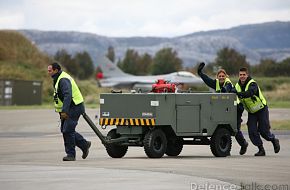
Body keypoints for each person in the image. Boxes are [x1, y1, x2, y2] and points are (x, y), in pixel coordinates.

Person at [197, 62, 248, 155]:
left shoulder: (228, 83)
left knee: (234, 129)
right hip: (225, 108)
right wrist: (200, 73)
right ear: (217, 77)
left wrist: (224, 90)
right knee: (223, 127)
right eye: (219, 76)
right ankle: (225, 149)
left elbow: (227, 89)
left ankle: (243, 144)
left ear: (226, 76)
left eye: (223, 76)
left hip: (236, 108)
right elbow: (207, 80)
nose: (221, 77)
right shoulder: (216, 83)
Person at [47, 62, 91, 161]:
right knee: (65, 129)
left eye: (50, 70)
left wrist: (64, 111)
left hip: (74, 107)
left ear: (56, 70)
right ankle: (84, 144)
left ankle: (71, 154)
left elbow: (67, 96)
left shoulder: (63, 79)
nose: (48, 72)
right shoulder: (58, 78)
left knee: (68, 130)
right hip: (70, 107)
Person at [234, 67, 280, 156]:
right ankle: (261, 150)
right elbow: (235, 96)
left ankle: (273, 140)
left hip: (261, 109)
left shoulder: (252, 84)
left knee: (263, 131)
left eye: (244, 74)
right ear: (238, 75)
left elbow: (250, 93)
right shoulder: (237, 86)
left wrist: (238, 94)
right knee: (252, 131)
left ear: (247, 75)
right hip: (252, 112)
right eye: (240, 75)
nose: (242, 76)